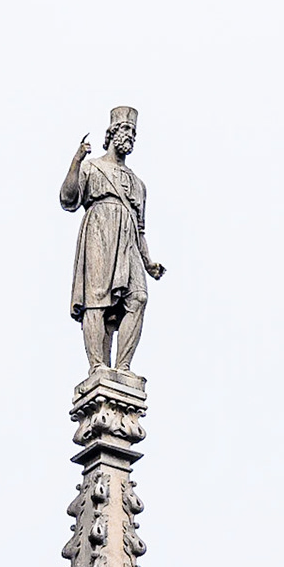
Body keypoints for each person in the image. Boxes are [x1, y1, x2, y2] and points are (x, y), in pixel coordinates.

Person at [60, 107, 165, 372]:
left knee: (138, 297)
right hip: (99, 230)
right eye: (126, 130)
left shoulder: (139, 184)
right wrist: (76, 161)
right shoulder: (92, 167)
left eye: (134, 132)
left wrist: (149, 262)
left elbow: (140, 228)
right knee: (96, 298)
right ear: (112, 132)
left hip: (128, 239)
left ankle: (123, 366)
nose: (130, 136)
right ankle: (98, 365)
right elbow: (68, 199)